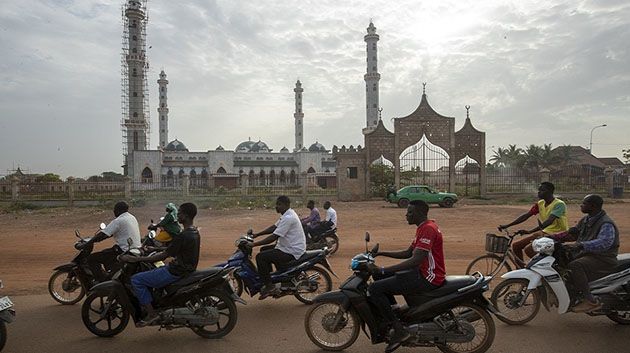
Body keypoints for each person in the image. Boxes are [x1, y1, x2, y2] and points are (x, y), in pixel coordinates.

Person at [367, 200, 446, 353]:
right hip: (422, 272)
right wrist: (381, 254)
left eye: (410, 212)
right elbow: (408, 253)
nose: (406, 215)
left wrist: (383, 269)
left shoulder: (428, 229)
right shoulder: (423, 227)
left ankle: (399, 330)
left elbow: (416, 260)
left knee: (375, 288)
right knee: (380, 278)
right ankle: (395, 312)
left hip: (428, 277)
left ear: (420, 213)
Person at [120, 202, 200, 326]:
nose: (177, 215)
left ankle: (152, 314)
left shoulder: (183, 235)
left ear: (185, 216)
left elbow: (164, 255)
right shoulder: (194, 232)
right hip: (185, 269)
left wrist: (136, 259)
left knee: (137, 280)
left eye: (179, 213)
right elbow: (172, 250)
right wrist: (153, 249)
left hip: (176, 271)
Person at [564, 194, 619, 313]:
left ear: (592, 206)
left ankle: (590, 301)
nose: (581, 205)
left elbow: (604, 243)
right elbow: (574, 233)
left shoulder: (606, 223)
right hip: (587, 254)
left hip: (603, 258)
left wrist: (582, 245)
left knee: (575, 265)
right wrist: (552, 238)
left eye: (584, 203)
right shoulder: (586, 219)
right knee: (562, 260)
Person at [249, 195, 306, 299]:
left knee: (260, 257)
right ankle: (270, 276)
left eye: (279, 204)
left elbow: (274, 236)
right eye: (277, 204)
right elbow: (274, 227)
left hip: (292, 250)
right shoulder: (286, 215)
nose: (276, 206)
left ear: (286, 205)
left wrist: (254, 244)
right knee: (264, 249)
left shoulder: (289, 218)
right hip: (287, 246)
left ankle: (269, 286)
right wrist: (257, 234)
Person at [498, 182, 568, 263]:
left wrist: (530, 231)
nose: (539, 192)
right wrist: (507, 225)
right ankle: (522, 271)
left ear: (550, 191)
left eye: (542, 190)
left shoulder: (559, 204)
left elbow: (549, 221)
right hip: (545, 231)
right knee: (516, 246)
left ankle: (550, 266)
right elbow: (526, 215)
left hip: (557, 233)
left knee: (529, 250)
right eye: (539, 190)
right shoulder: (540, 203)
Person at [87, 201, 142, 282]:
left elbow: (102, 235)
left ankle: (101, 281)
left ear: (117, 210)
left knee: (91, 258)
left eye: (114, 209)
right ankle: (110, 272)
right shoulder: (132, 217)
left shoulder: (118, 220)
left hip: (123, 251)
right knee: (105, 252)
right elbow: (111, 232)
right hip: (135, 249)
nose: (114, 211)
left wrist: (89, 242)